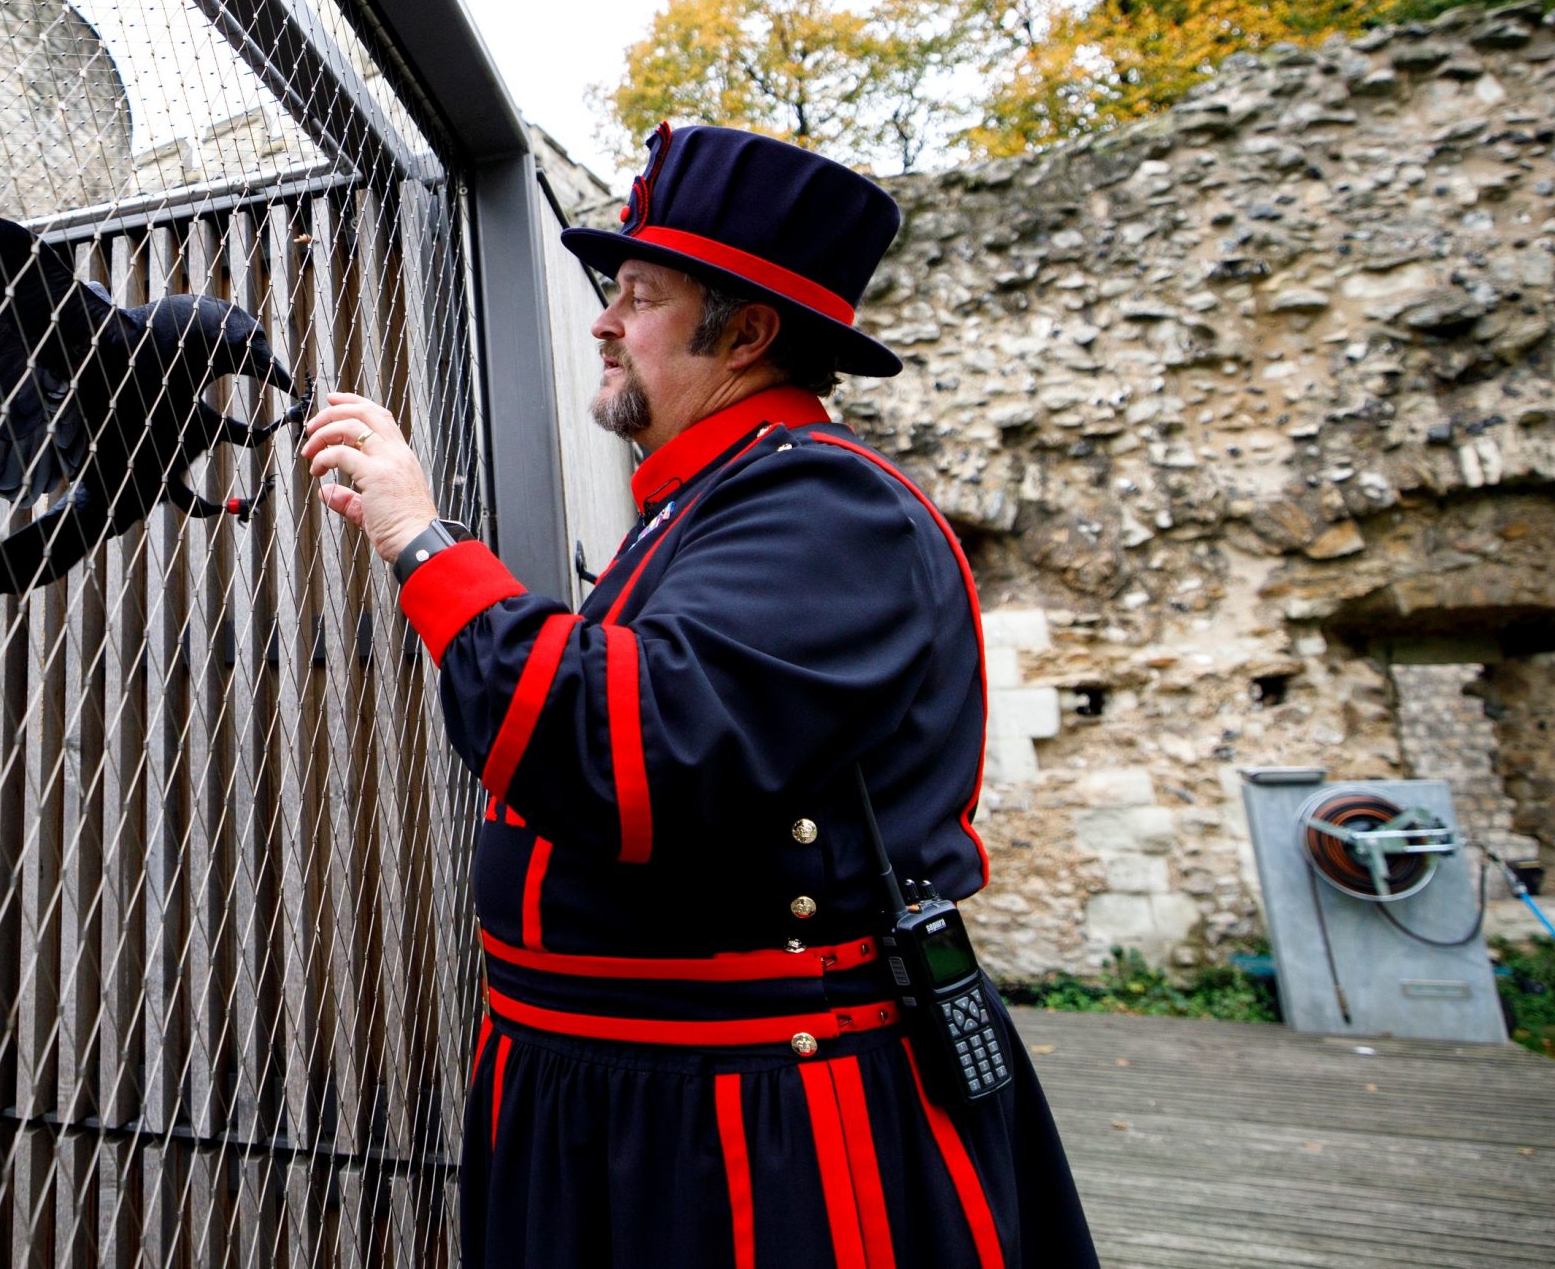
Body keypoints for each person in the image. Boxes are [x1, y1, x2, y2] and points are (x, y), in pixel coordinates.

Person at [302, 124, 1098, 1269]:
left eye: (638, 294)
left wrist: (422, 542)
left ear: (748, 332)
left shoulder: (828, 506)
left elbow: (623, 753)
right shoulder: (709, 503)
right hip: (623, 1090)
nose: (602, 321)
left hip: (740, 1119)